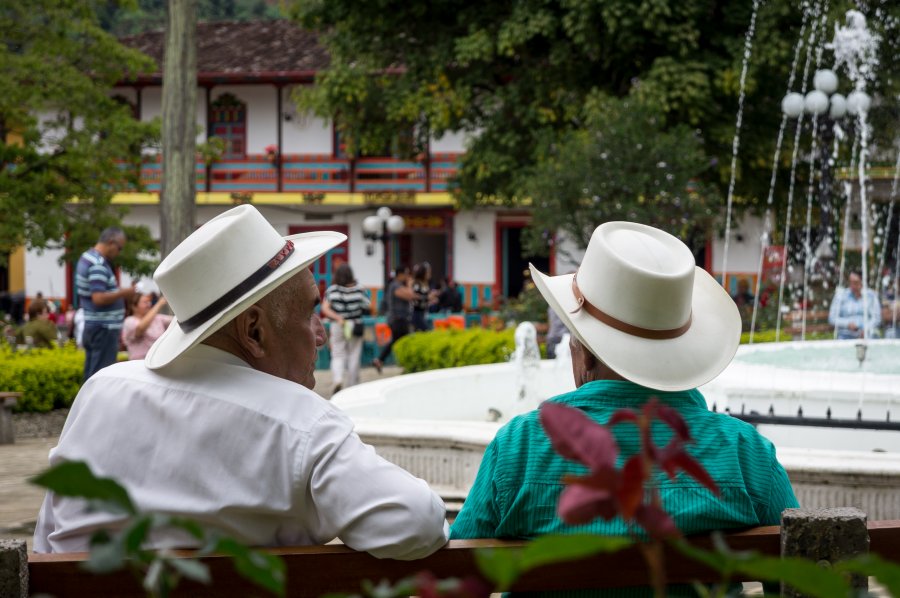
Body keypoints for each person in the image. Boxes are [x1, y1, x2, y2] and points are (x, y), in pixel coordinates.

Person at [34, 205, 448, 557]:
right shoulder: (300, 422)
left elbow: (46, 539)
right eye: (309, 313)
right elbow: (419, 522)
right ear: (254, 331)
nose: (320, 334)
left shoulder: (101, 391)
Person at [451, 222, 798, 565]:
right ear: (680, 352)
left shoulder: (520, 446)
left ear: (584, 353)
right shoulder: (746, 455)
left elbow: (455, 574)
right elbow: (798, 572)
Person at [75, 227, 136, 381]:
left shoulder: (87, 257)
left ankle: (85, 404)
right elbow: (99, 298)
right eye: (119, 248)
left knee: (91, 375)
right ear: (110, 242)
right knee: (100, 378)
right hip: (104, 328)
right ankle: (93, 405)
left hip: (94, 325)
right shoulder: (98, 264)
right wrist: (124, 293)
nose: (119, 252)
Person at [320, 263, 371, 394]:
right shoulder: (360, 289)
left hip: (338, 325)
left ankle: (337, 379)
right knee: (354, 354)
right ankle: (353, 385)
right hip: (356, 324)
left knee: (338, 353)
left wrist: (338, 318)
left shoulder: (332, 290)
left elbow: (324, 308)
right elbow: (368, 306)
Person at [371, 265, 415, 374]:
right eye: (406, 274)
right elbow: (410, 295)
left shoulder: (396, 285)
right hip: (397, 319)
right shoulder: (395, 286)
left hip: (399, 319)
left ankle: (379, 360)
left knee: (396, 340)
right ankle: (404, 362)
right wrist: (410, 285)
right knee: (405, 340)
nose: (408, 276)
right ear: (401, 274)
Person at [828, 270, 881, 340]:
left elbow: (877, 318)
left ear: (862, 282)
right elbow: (832, 318)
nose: (852, 286)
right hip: (846, 334)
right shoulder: (841, 296)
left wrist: (866, 328)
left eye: (855, 283)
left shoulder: (871, 295)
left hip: (867, 334)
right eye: (850, 282)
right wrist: (847, 324)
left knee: (872, 336)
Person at [121, 293, 174, 360]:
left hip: (159, 360)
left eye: (149, 302)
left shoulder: (157, 318)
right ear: (134, 306)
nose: (149, 304)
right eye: (145, 302)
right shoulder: (129, 321)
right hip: (139, 363)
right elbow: (140, 328)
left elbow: (175, 320)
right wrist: (159, 304)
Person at [411, 262, 437, 331]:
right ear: (423, 273)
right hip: (417, 312)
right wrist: (428, 297)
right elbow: (415, 297)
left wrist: (431, 299)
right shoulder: (417, 283)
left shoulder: (426, 283)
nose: (429, 274)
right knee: (426, 330)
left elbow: (425, 296)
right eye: (428, 272)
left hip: (423, 311)